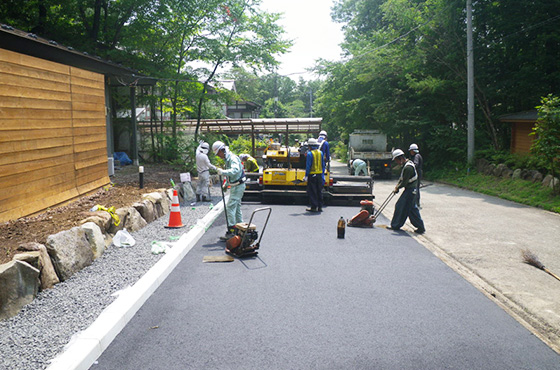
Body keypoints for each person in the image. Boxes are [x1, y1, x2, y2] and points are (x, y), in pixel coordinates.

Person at [212, 141, 247, 240]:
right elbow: (232, 175)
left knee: (230, 207)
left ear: (222, 150)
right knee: (236, 208)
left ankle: (232, 231)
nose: (218, 156)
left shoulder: (232, 158)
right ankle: (241, 228)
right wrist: (226, 184)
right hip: (236, 185)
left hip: (238, 186)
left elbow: (235, 170)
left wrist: (223, 172)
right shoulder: (228, 159)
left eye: (218, 153)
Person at [388, 149, 425, 234]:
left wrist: (397, 188)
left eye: (396, 160)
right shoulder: (406, 165)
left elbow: (404, 182)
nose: (396, 162)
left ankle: (395, 225)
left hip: (411, 190)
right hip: (410, 190)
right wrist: (397, 186)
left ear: (400, 158)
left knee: (400, 206)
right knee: (411, 209)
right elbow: (402, 179)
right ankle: (420, 227)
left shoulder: (408, 167)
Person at [303, 138, 325, 212]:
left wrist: (306, 176)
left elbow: (308, 166)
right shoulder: (320, 153)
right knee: (319, 190)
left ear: (310, 146)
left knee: (312, 191)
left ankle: (313, 207)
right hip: (319, 175)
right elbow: (323, 164)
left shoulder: (310, 154)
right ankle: (320, 207)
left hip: (312, 175)